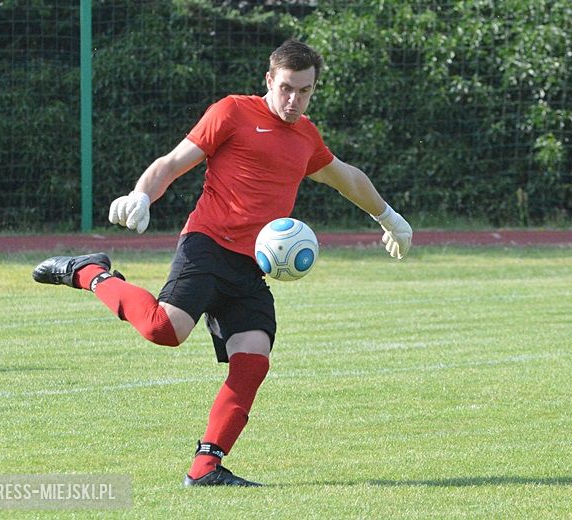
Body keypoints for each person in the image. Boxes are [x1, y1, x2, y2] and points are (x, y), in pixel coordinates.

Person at [32, 39, 412, 487]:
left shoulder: (306, 136)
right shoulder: (232, 112)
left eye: (304, 91)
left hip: (252, 267)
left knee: (253, 361)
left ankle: (206, 467)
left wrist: (388, 217)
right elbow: (172, 162)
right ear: (269, 79)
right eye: (287, 88)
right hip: (207, 245)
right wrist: (141, 194)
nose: (294, 100)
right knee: (162, 330)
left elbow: (345, 176)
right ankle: (89, 272)